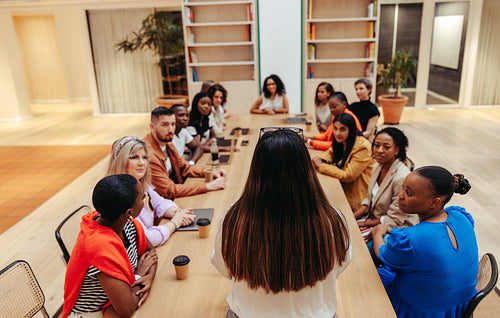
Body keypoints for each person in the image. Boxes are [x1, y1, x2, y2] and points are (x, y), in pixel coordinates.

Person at [211, 129, 351, 318]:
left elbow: (225, 269)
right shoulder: (334, 220)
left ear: (256, 170)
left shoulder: (233, 219)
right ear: (306, 169)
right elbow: (339, 267)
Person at [372, 166, 478, 318]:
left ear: (434, 203)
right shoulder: (461, 216)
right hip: (459, 307)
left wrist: (377, 233)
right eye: (403, 188)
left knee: (368, 280)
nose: (400, 196)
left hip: (421, 311)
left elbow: (383, 255)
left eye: (409, 193)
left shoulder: (410, 239)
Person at [63, 174, 158, 318]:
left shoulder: (125, 223)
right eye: (141, 197)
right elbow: (127, 309)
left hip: (117, 302)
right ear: (129, 212)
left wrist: (149, 277)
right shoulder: (98, 247)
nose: (145, 197)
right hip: (94, 313)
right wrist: (138, 274)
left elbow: (151, 253)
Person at [107, 136, 196, 247]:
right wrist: (175, 223)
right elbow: (148, 239)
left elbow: (160, 202)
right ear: (121, 161)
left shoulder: (140, 184)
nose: (142, 163)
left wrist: (176, 213)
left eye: (144, 157)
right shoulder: (120, 198)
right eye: (134, 157)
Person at [144, 106, 226, 200]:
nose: (170, 129)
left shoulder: (167, 142)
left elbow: (184, 167)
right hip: (158, 204)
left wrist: (209, 172)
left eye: (173, 124)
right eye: (165, 124)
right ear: (152, 127)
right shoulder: (148, 155)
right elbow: (169, 191)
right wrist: (207, 186)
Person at [354, 128, 418, 240]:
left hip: (395, 227)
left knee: (352, 239)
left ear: (397, 150)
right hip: (374, 218)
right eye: (376, 145)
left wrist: (361, 224)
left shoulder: (401, 177)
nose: (379, 150)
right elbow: (368, 200)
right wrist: (352, 217)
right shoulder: (377, 166)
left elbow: (394, 219)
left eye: (386, 147)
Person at [312, 113, 374, 212]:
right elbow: (332, 151)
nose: (337, 133)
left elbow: (348, 176)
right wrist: (322, 159)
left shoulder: (363, 147)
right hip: (343, 188)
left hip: (356, 198)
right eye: (335, 128)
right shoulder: (343, 140)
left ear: (351, 129)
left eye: (342, 129)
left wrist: (321, 166)